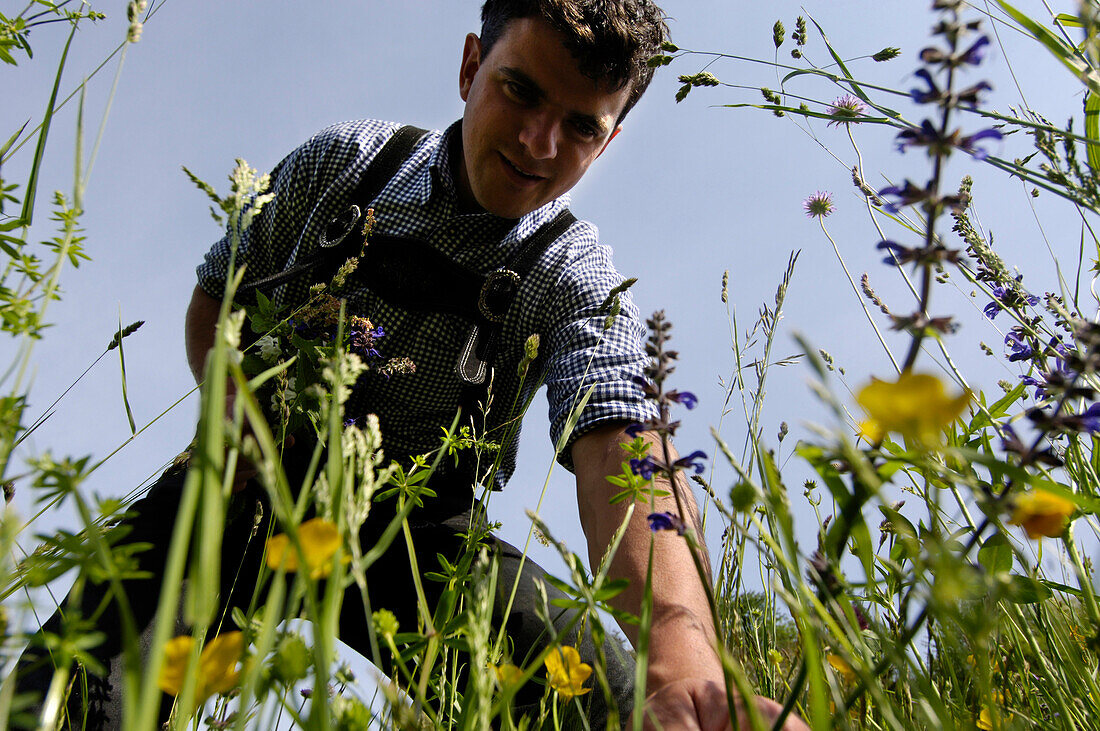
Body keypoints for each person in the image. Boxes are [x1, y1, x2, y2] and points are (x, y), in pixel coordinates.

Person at [18, 1, 809, 728]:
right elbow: (215, 301)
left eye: (580, 127)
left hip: (419, 531)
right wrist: (236, 419)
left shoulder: (573, 278)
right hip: (251, 481)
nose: (540, 143)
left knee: (617, 705)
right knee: (66, 688)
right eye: (520, 92)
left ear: (611, 140)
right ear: (470, 67)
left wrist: (683, 656)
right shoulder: (344, 165)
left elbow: (622, 439)